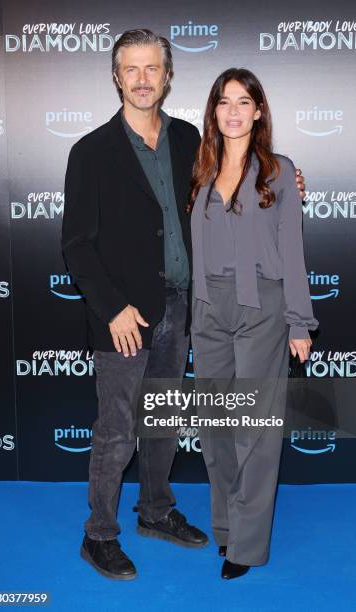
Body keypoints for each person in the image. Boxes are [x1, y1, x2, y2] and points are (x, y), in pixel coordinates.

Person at [62, 29, 306, 581]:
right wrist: (112, 308)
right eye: (132, 69)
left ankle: (156, 512)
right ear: (116, 76)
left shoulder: (189, 142)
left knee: (163, 421)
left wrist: (287, 181)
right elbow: (76, 244)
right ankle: (99, 534)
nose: (144, 79)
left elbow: (240, 195)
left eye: (153, 68)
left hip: (182, 308)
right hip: (124, 315)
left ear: (168, 76)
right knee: (117, 427)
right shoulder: (91, 152)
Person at [189, 68, 318, 580]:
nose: (234, 111)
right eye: (225, 102)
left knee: (254, 431)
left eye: (245, 102)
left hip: (261, 307)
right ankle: (225, 528)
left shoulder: (280, 171)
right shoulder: (199, 165)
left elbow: (292, 247)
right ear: (213, 111)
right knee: (216, 427)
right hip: (207, 308)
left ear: (259, 111)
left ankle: (247, 544)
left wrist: (299, 322)